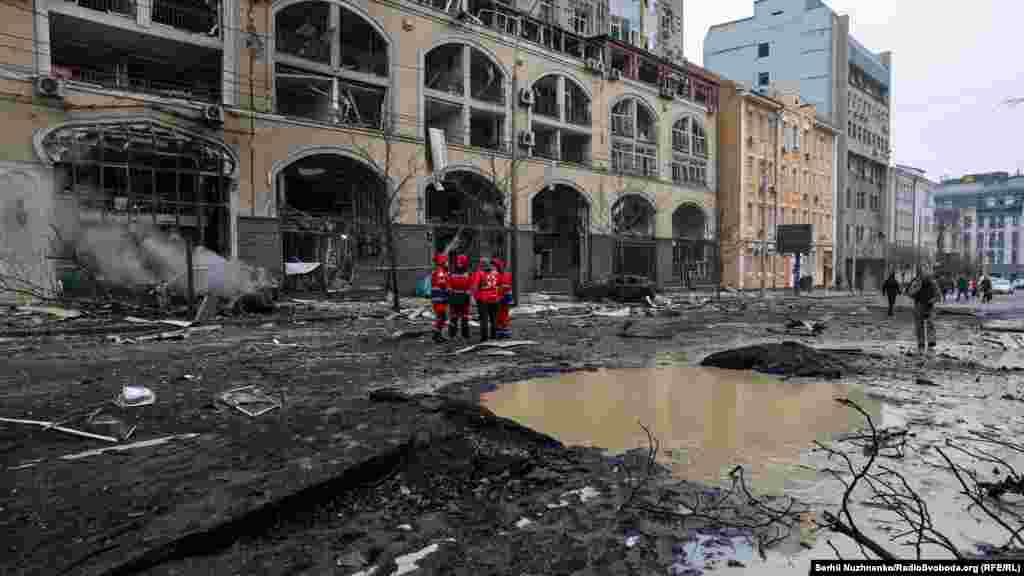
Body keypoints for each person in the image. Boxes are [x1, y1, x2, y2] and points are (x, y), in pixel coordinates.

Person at [906, 265, 940, 355]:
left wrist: (932, 300)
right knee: (919, 325)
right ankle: (921, 343)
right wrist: (917, 288)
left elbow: (938, 296)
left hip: (929, 306)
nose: (926, 276)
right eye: (924, 274)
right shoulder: (916, 282)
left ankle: (931, 341)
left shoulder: (933, 283)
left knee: (930, 323)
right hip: (919, 305)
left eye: (927, 274)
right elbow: (910, 293)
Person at [471, 257, 500, 342]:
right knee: (494, 318)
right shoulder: (495, 273)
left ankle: (484, 338)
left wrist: (474, 297)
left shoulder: (479, 273)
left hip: (483, 298)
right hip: (495, 298)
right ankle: (494, 336)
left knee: (484, 319)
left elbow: (475, 287)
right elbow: (499, 284)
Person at [447, 255, 472, 340]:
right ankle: (452, 334)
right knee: (454, 317)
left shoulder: (467, 274)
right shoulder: (453, 273)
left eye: (460, 262)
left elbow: (470, 286)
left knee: (464, 317)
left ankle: (465, 335)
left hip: (463, 297)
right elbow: (449, 285)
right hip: (456, 296)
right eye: (458, 262)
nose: (458, 263)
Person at [430, 254, 450, 343]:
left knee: (442, 317)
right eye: (446, 261)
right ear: (442, 262)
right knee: (441, 317)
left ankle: (438, 335)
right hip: (439, 298)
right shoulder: (440, 272)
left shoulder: (440, 271)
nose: (448, 263)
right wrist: (449, 290)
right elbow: (442, 283)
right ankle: (436, 335)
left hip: (439, 298)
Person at [493, 257, 513, 339]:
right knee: (504, 313)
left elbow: (499, 287)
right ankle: (504, 330)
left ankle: (501, 330)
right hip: (505, 296)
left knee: (500, 314)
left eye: (494, 266)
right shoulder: (507, 274)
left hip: (500, 297)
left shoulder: (497, 275)